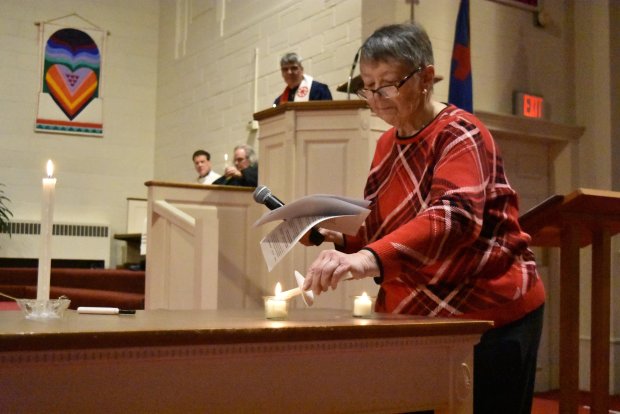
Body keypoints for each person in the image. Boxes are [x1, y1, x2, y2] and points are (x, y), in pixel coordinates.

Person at [300, 23, 545, 414]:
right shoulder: (386, 142)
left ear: (426, 77)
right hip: (420, 315)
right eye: (367, 86)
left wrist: (364, 259)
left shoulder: (460, 133)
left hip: (487, 311)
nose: (376, 99)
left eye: (387, 84)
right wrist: (335, 237)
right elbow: (385, 225)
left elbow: (453, 217)